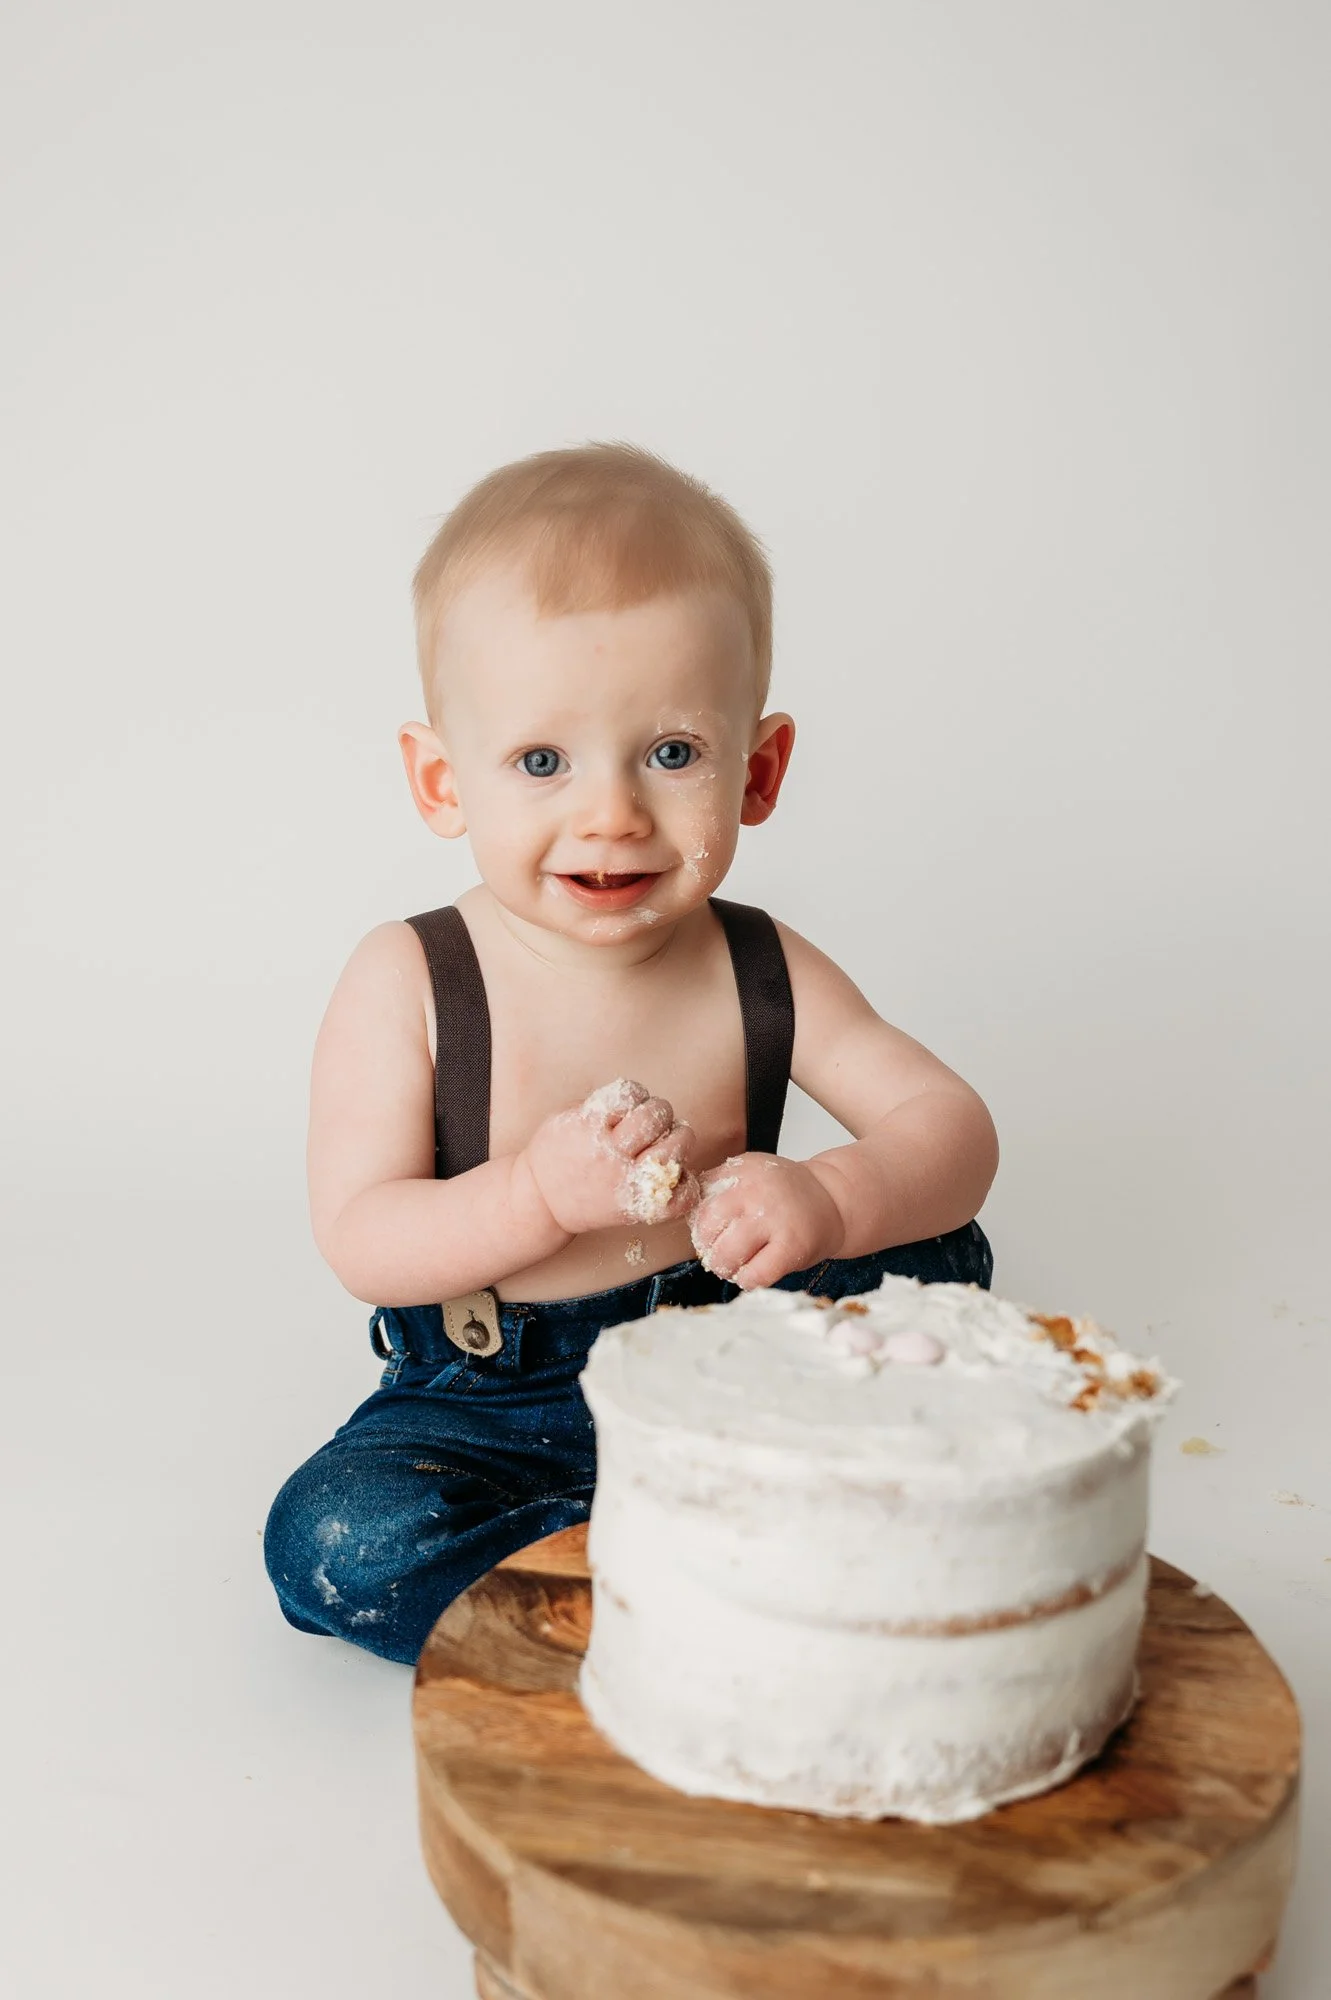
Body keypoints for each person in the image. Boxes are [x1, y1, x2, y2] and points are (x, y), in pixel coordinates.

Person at [263, 442, 999, 1664]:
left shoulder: (758, 964)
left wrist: (825, 1193)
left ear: (756, 769)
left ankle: (687, 1540)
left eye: (670, 753)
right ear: (443, 780)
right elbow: (363, 1237)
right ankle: (674, 1559)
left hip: (729, 1352)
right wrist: (533, 1194)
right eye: (541, 761)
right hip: (496, 1400)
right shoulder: (414, 979)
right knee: (337, 1536)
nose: (610, 812)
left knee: (935, 1247)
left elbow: (951, 1127)